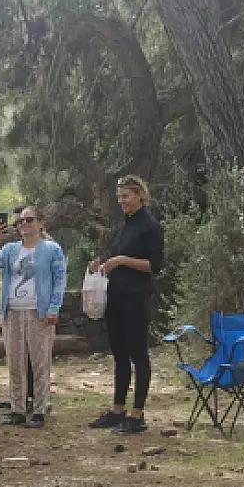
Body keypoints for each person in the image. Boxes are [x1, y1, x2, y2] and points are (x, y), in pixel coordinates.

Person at [89, 175, 165, 436]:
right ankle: (117, 408)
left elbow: (155, 265)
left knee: (138, 354)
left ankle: (137, 413)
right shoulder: (122, 227)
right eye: (119, 197)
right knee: (120, 354)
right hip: (116, 297)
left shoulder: (150, 226)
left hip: (136, 297)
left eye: (126, 196)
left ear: (139, 195)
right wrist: (103, 262)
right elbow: (114, 257)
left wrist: (122, 260)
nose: (121, 201)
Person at [0, 205, 67, 427]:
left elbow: (59, 280)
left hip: (39, 312)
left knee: (40, 361)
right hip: (12, 311)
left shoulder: (52, 249)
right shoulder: (9, 250)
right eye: (20, 222)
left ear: (40, 223)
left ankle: (39, 410)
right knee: (15, 362)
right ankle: (17, 408)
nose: (24, 225)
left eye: (29, 220)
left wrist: (54, 308)